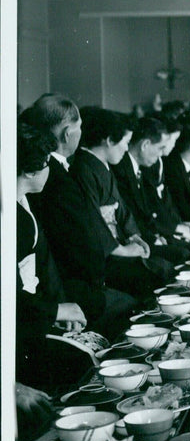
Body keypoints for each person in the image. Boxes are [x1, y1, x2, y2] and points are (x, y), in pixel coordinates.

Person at [23, 95, 137, 338]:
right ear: (67, 134)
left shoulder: (57, 170)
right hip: (70, 286)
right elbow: (80, 242)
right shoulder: (55, 179)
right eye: (79, 128)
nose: (81, 133)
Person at [71, 108, 173, 300]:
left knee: (162, 268)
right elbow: (92, 220)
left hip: (117, 245)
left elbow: (122, 209)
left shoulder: (103, 165)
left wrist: (135, 236)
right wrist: (123, 250)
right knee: (156, 273)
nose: (127, 148)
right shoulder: (83, 168)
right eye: (126, 142)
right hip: (105, 256)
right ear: (109, 141)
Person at [16, 122, 89, 392]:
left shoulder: (24, 203)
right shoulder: (13, 217)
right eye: (47, 162)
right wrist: (55, 311)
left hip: (35, 311)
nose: (50, 169)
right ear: (29, 170)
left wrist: (56, 308)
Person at [111, 117, 190, 265]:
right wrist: (154, 238)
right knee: (182, 254)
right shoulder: (121, 170)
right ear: (145, 145)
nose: (161, 154)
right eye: (160, 148)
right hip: (134, 242)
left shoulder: (136, 167)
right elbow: (132, 216)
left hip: (148, 234)